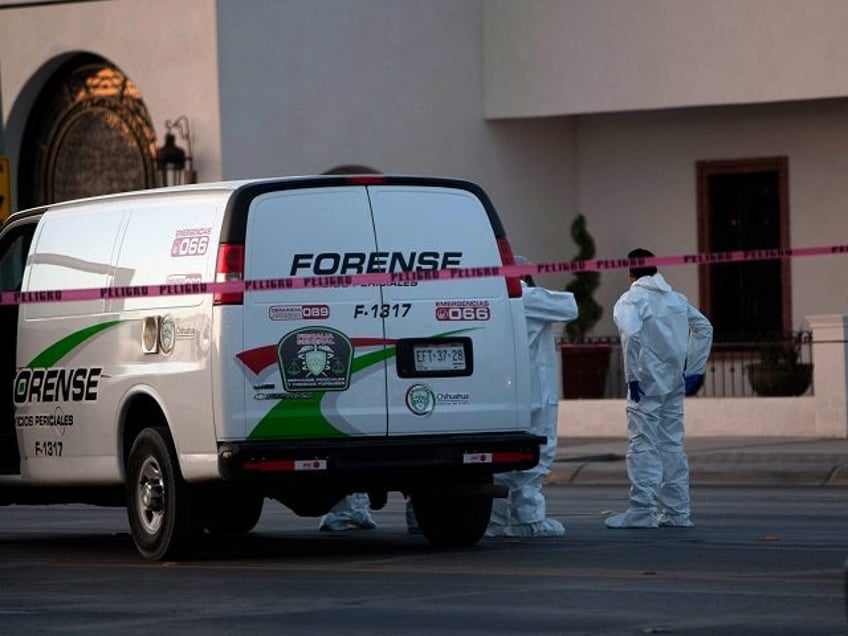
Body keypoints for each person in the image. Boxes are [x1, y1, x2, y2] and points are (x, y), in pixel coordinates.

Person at [605, 248, 713, 529]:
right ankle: (677, 512)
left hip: (646, 383)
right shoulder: (676, 299)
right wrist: (694, 369)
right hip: (674, 383)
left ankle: (643, 511)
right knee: (672, 445)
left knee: (642, 444)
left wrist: (632, 376)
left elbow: (630, 333)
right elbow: (704, 327)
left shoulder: (631, 299)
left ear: (630, 272)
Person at [486, 260, 578, 538]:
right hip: (535, 390)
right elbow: (570, 307)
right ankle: (528, 520)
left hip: (502, 390)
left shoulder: (489, 300)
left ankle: (495, 521)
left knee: (500, 460)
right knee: (536, 456)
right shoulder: (527, 298)